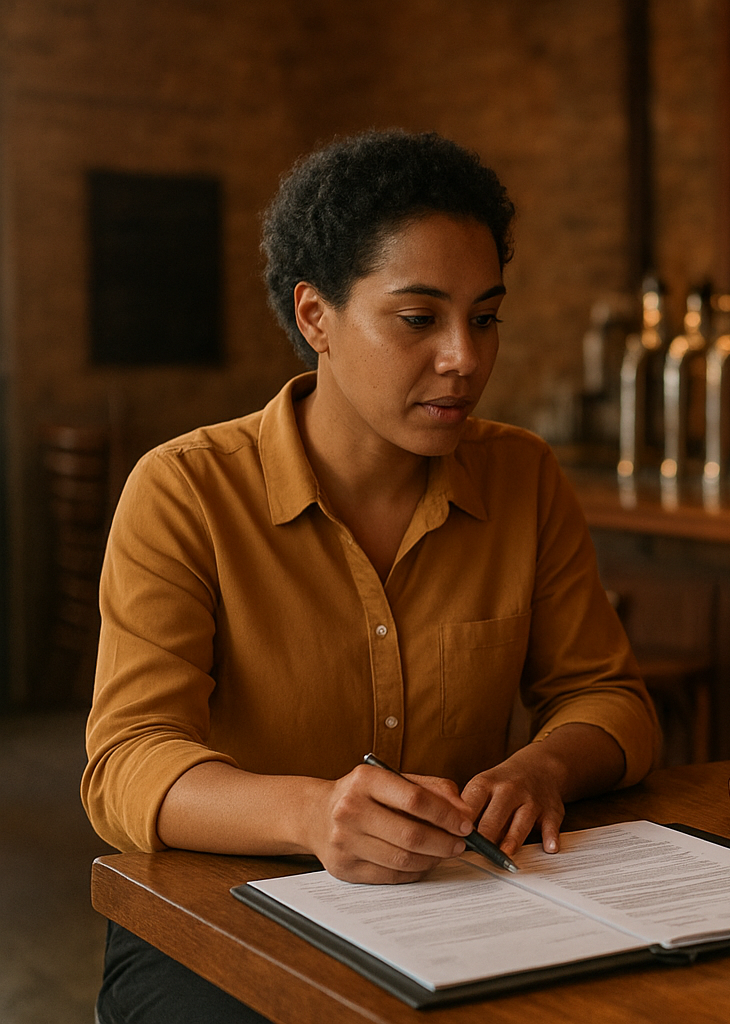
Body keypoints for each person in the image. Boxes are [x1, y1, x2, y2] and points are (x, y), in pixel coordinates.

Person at [84, 130, 660, 1022]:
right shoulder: (186, 490)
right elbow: (127, 762)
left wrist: (544, 766)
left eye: (487, 316)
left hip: (462, 906)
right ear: (316, 317)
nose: (465, 358)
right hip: (223, 914)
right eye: (420, 319)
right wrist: (313, 816)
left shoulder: (523, 477)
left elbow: (610, 699)